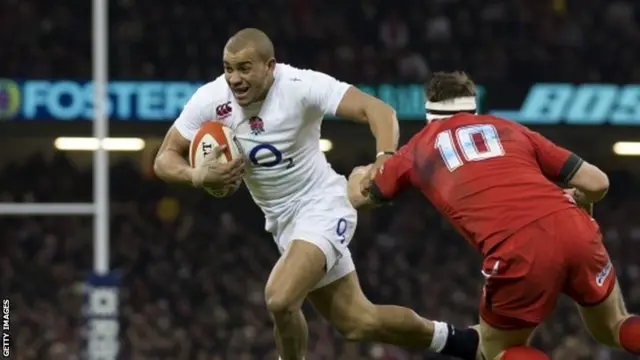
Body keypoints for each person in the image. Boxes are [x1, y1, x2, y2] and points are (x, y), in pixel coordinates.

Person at [154, 28, 479, 360]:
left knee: (279, 298)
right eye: (228, 68)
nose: (234, 79)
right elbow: (164, 158)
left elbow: (379, 111)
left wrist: (383, 161)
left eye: (244, 68)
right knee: (358, 322)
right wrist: (195, 175)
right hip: (283, 224)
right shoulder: (211, 99)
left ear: (270, 66)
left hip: (324, 204)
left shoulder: (300, 86)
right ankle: (464, 343)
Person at [348, 71, 640, 360]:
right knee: (613, 326)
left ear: (430, 109)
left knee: (496, 349)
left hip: (518, 247)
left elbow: (360, 198)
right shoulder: (511, 128)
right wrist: (578, 199)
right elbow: (597, 182)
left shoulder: (416, 149)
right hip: (574, 227)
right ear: (472, 104)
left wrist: (358, 173)